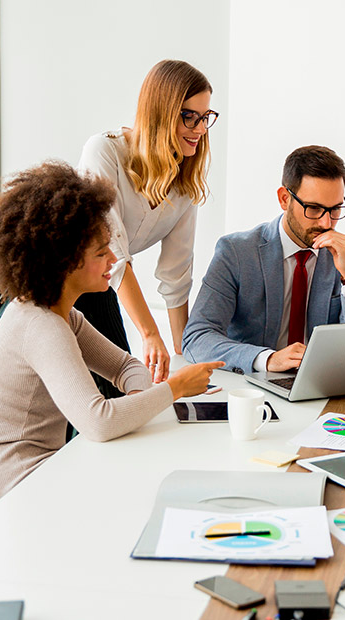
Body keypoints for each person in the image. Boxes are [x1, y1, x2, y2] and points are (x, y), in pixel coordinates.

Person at [0, 162, 223, 529]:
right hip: (0, 503)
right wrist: (173, 389)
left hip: (31, 480)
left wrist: (141, 398)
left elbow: (126, 368)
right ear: (64, 261)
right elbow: (97, 421)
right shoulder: (39, 325)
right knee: (135, 505)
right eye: (100, 252)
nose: (114, 259)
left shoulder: (60, 314)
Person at [76, 59, 218, 393]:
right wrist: (151, 335)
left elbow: (176, 275)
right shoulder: (105, 151)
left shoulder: (184, 183)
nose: (200, 128)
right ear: (160, 113)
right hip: (44, 284)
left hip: (97, 287)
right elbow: (114, 251)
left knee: (117, 393)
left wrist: (185, 358)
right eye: (189, 116)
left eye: (205, 117)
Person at [182, 145, 345, 372]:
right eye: (313, 209)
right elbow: (197, 338)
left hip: (322, 388)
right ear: (284, 199)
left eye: (335, 209)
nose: (326, 223)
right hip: (254, 389)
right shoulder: (236, 252)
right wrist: (267, 359)